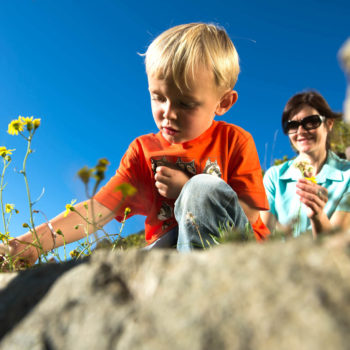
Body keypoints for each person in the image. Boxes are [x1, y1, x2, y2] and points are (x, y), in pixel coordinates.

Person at [1, 23, 269, 267]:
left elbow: (250, 211)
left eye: (185, 103)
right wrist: (34, 242)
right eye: (158, 97)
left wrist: (187, 189)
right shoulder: (143, 151)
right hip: (168, 252)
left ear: (222, 103)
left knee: (202, 188)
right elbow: (100, 209)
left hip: (235, 251)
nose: (168, 112)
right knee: (115, 269)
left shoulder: (235, 140)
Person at [261, 91, 350, 238]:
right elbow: (263, 238)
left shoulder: (348, 177)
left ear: (329, 124)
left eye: (311, 122)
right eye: (293, 125)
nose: (301, 131)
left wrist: (318, 216)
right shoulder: (274, 177)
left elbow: (338, 245)